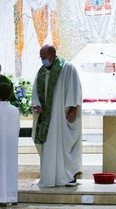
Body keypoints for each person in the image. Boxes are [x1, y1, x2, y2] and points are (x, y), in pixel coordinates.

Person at [32, 44, 82, 188]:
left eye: (44, 58)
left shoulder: (68, 68)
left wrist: (73, 109)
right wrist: (36, 104)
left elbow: (75, 89)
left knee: (65, 145)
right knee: (49, 147)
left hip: (62, 116)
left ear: (52, 56)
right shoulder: (41, 72)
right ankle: (49, 176)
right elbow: (36, 91)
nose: (43, 61)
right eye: (41, 58)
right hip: (47, 119)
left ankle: (68, 175)